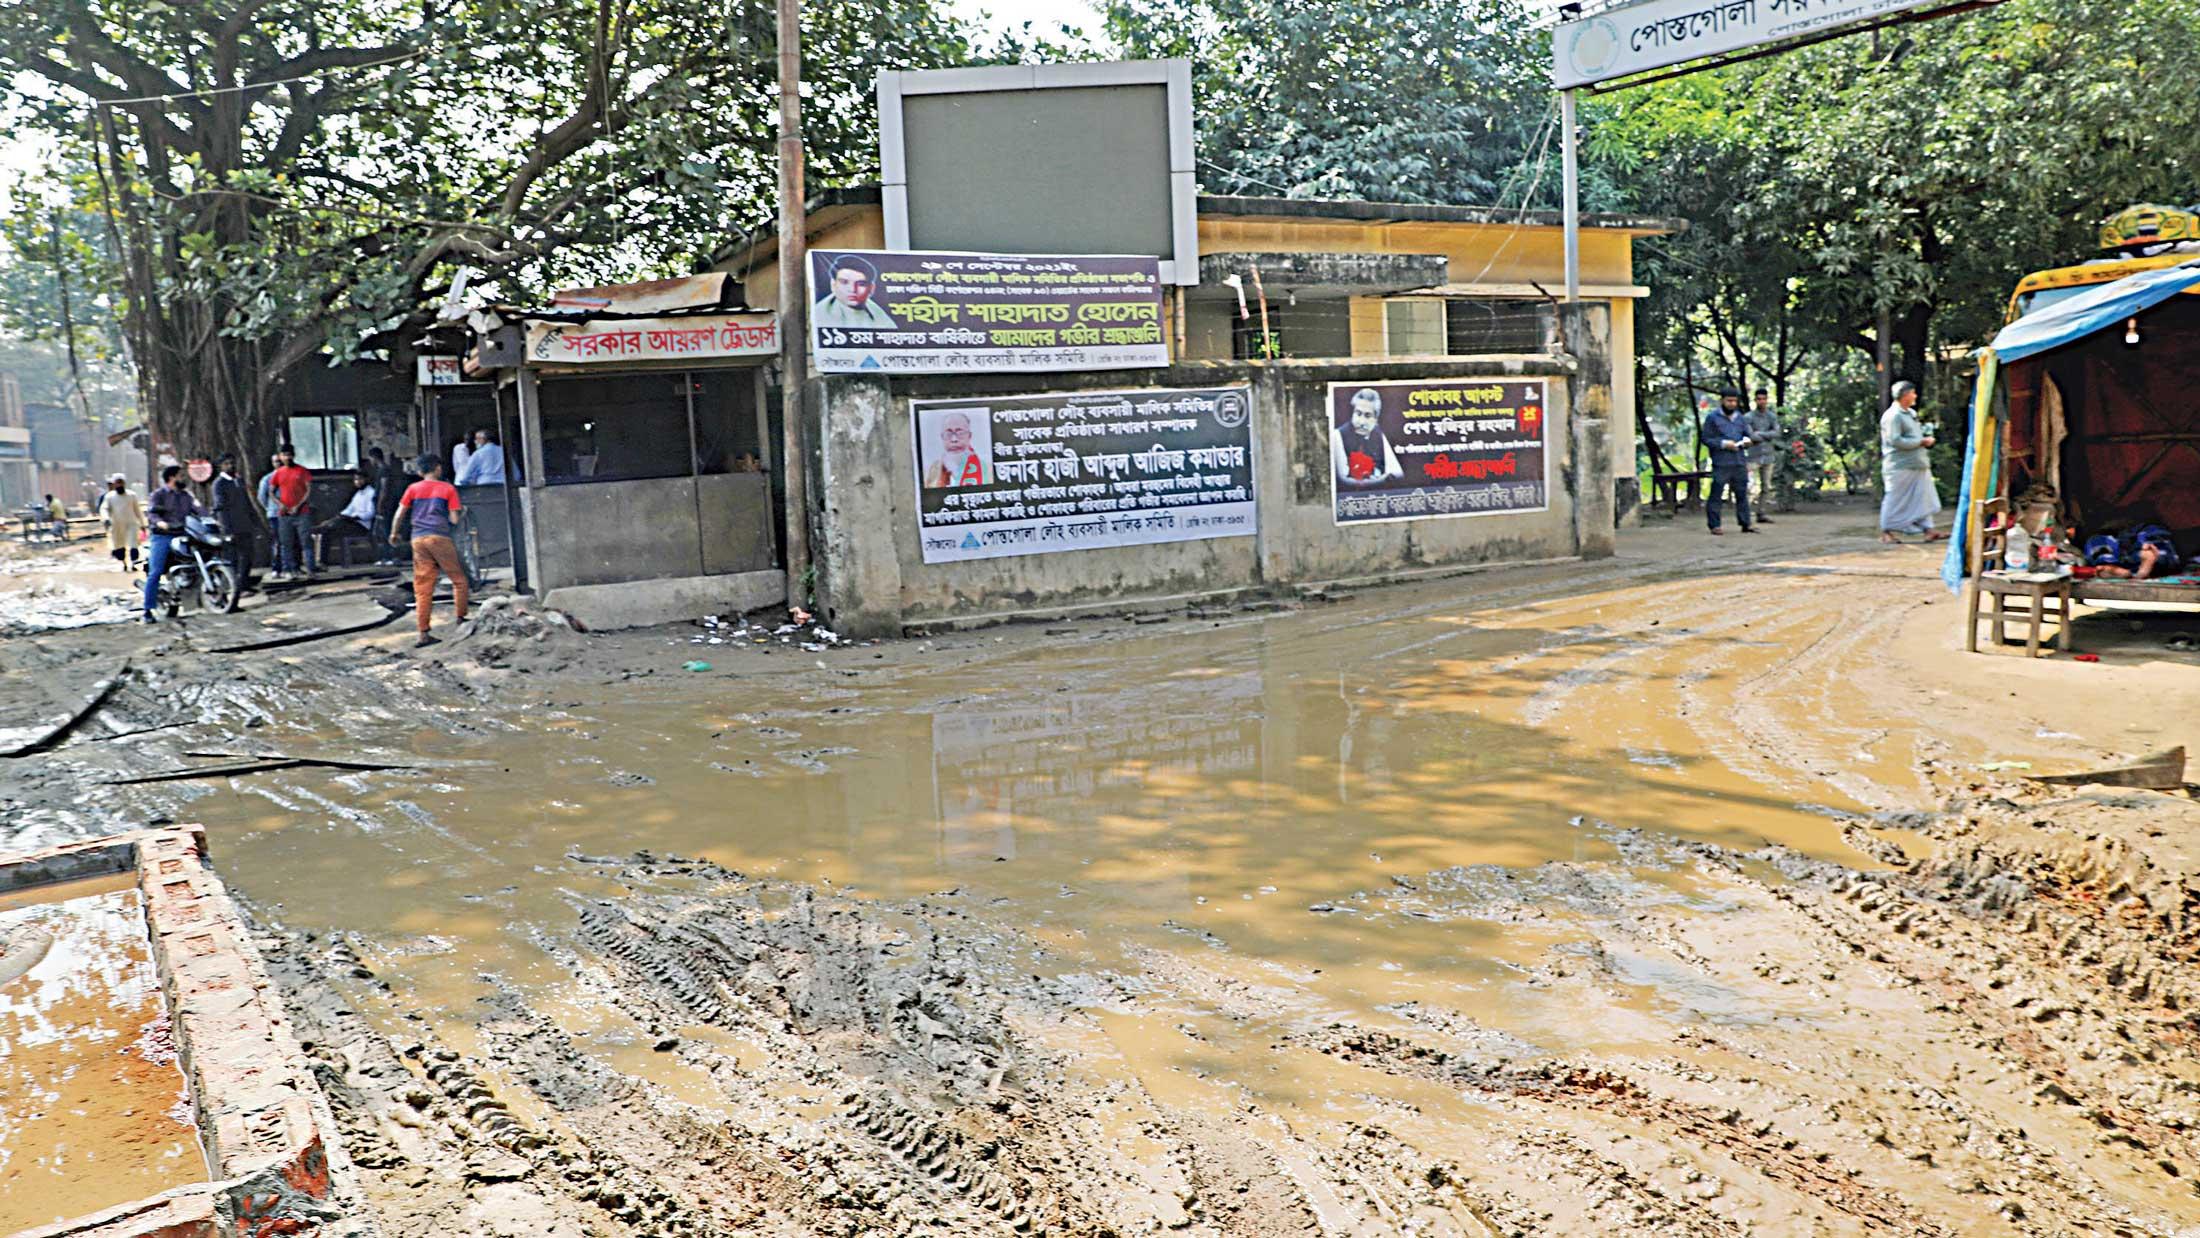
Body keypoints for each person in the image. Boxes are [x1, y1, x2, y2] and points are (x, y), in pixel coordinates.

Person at [389, 453, 469, 647]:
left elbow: (399, 513)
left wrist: (394, 534)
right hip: (439, 538)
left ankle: (423, 634)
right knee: (459, 580)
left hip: (418, 539)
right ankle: (460, 619)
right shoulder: (448, 489)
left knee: (423, 588)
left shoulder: (412, 489)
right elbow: (454, 520)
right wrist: (461, 511)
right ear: (438, 468)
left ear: (419, 471)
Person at [1878, 380, 1944, 543]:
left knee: (1922, 497)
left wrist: (1923, 441)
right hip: (1899, 465)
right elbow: (1895, 441)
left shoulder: (1910, 414)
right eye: (1912, 393)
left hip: (1917, 463)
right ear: (1904, 395)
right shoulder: (1893, 416)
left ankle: (1928, 530)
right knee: (1895, 498)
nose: (1915, 396)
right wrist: (1920, 442)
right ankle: (1886, 532)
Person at [142, 465, 198, 623]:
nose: (184, 478)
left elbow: (198, 510)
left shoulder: (186, 496)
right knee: (156, 572)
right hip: (162, 536)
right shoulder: (159, 495)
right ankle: (147, 610)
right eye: (181, 476)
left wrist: (210, 520)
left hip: (183, 534)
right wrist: (160, 523)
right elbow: (152, 513)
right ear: (171, 478)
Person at [1701, 390, 1757, 535]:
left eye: (1734, 401)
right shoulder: (1712, 418)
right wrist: (1724, 444)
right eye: (1729, 401)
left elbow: (1748, 434)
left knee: (1742, 494)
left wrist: (1747, 441)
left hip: (1739, 461)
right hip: (1721, 462)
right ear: (1722, 401)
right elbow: (1706, 439)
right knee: (1716, 494)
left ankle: (1746, 523)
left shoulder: (1740, 418)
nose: (1732, 404)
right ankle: (1714, 525)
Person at [1332, 387, 1404, 487]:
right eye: (1358, 414)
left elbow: (1398, 473)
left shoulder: (1379, 435)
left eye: (1367, 416)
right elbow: (1343, 480)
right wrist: (1379, 481)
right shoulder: (1338, 435)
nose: (1361, 422)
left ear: (1375, 419)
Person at [813, 254, 897, 329]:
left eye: (860, 284)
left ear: (871, 289)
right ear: (833, 285)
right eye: (844, 282)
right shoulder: (817, 315)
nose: (852, 289)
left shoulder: (883, 320)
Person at [269, 444, 317, 578]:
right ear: (280, 456)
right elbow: (271, 492)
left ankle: (311, 571)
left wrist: (299, 505)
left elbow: (309, 490)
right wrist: (280, 505)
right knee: (286, 544)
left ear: (293, 455)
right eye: (284, 455)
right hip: (284, 514)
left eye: (289, 454)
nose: (287, 457)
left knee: (306, 542)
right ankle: (288, 570)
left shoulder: (302, 471)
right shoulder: (278, 473)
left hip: (302, 513)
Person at [210, 454, 255, 590]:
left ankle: (245, 584)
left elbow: (247, 502)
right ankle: (235, 587)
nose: (231, 466)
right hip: (231, 526)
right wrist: (226, 529)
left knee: (247, 556)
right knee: (233, 558)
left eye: (232, 463)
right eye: (227, 464)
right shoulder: (219, 484)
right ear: (221, 466)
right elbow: (220, 508)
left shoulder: (238, 481)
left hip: (245, 524)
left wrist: (253, 522)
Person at [313, 468, 377, 564]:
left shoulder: (371, 493)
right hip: (350, 522)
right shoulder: (358, 494)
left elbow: (370, 513)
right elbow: (349, 510)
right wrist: (340, 516)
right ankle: (322, 562)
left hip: (361, 526)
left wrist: (354, 517)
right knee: (327, 532)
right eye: (355, 480)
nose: (357, 482)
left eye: (360, 479)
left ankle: (318, 529)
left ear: (366, 479)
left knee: (328, 528)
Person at [921, 412, 990, 488]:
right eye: (948, 434)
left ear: (969, 436)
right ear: (942, 437)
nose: (954, 439)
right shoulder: (934, 469)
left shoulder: (985, 467)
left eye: (960, 433)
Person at [1745, 388, 1783, 522]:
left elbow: (1777, 433)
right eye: (1759, 399)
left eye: (1764, 399)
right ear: (1755, 400)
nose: (1761, 401)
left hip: (1768, 456)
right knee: (1749, 486)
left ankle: (1761, 513)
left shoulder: (1772, 416)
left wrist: (1760, 434)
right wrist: (1765, 435)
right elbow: (1750, 435)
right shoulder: (1749, 417)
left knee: (1766, 486)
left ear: (1767, 400)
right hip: (1753, 456)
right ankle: (1746, 513)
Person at [97, 474, 144, 571]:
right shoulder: (109, 497)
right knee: (119, 545)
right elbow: (104, 509)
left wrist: (143, 524)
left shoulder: (132, 495)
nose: (119, 485)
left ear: (124, 483)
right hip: (117, 525)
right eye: (117, 483)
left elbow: (137, 510)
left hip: (131, 524)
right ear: (114, 484)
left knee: (133, 544)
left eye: (121, 482)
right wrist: (106, 518)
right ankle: (124, 564)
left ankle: (133, 563)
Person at [371, 446, 409, 564]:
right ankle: (387, 556)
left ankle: (394, 556)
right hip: (385, 504)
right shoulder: (383, 469)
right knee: (384, 531)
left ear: (374, 457)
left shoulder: (384, 470)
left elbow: (384, 488)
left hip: (386, 505)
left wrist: (380, 505)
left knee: (387, 530)